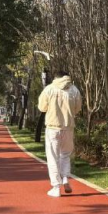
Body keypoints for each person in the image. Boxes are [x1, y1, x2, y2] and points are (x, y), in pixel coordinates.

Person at [37, 68, 82, 198]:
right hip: (68, 127)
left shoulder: (49, 89)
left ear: (55, 78)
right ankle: (65, 178)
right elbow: (77, 108)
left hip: (53, 127)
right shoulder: (74, 90)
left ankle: (56, 187)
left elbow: (42, 107)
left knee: (53, 157)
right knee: (65, 155)